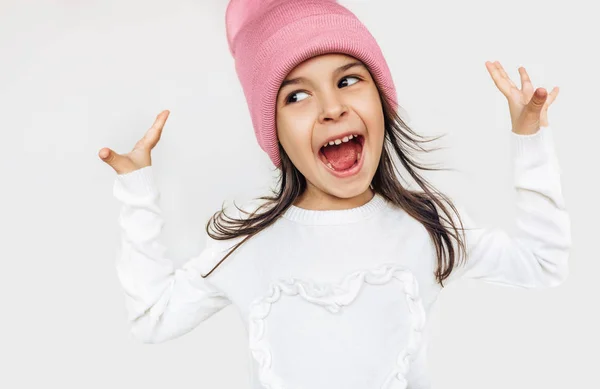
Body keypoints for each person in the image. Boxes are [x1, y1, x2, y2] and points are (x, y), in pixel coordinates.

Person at [98, 1, 571, 388]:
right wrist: (136, 190)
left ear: (382, 101)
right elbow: (152, 318)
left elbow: (544, 265)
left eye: (348, 80)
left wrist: (530, 139)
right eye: (296, 96)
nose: (331, 108)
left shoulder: (428, 227)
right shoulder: (245, 244)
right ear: (273, 131)